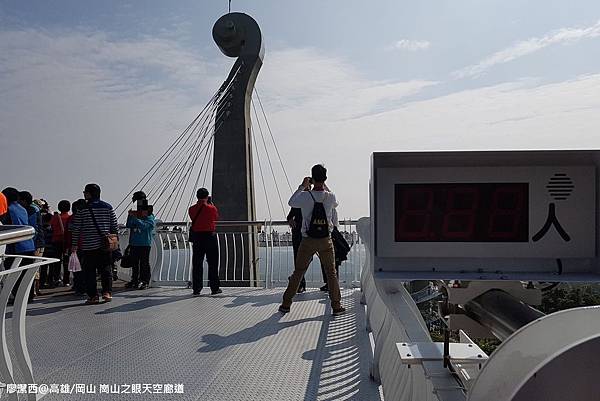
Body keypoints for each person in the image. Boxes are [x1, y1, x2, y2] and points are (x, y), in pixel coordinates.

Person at [279, 165, 345, 316]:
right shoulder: (330, 197)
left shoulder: (304, 196)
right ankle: (336, 305)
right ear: (325, 178)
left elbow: (291, 202)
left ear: (312, 179)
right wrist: (324, 185)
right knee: (331, 273)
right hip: (325, 241)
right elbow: (335, 203)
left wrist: (303, 186)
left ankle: (286, 304)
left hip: (307, 240)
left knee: (298, 272)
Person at [70, 184, 118, 304]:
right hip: (105, 245)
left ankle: (93, 296)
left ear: (89, 193)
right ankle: (107, 292)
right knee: (106, 269)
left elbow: (77, 228)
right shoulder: (108, 207)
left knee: (89, 272)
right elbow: (114, 225)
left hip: (88, 245)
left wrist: (74, 244)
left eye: (85, 192)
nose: (84, 194)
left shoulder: (82, 209)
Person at [1, 188, 36, 302]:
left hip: (16, 247)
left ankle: (18, 298)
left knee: (14, 275)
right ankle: (28, 297)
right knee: (26, 275)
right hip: (29, 244)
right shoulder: (23, 209)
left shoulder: (8, 210)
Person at [188, 188, 221, 296]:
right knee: (213, 263)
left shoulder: (191, 209)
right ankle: (214, 288)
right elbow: (216, 217)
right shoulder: (211, 208)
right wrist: (211, 204)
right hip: (209, 237)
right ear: (207, 196)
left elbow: (194, 217)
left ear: (197, 196)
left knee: (197, 263)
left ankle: (196, 288)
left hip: (197, 238)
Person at [125, 191, 156, 290]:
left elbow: (147, 225)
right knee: (134, 263)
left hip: (144, 242)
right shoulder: (134, 213)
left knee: (144, 263)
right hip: (134, 242)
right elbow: (128, 225)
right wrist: (132, 217)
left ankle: (145, 281)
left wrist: (135, 220)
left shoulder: (149, 213)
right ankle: (134, 280)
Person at [49, 200, 71, 286]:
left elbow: (52, 228)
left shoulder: (55, 218)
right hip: (66, 241)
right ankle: (66, 280)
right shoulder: (69, 217)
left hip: (56, 241)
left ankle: (56, 279)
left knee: (57, 261)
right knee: (66, 261)